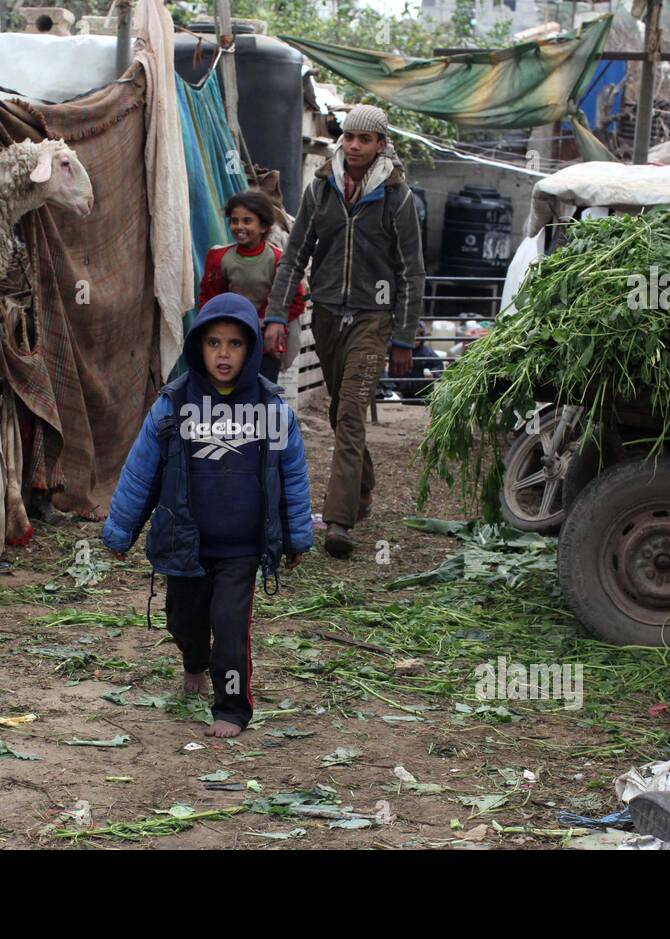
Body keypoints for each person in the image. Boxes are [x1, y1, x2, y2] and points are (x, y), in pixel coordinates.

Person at [101, 293, 313, 738]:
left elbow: (292, 478)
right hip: (185, 542)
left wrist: (296, 537)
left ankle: (232, 708)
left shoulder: (271, 410)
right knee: (183, 619)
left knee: (231, 630)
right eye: (213, 342)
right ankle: (193, 660)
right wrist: (121, 532)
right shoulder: (174, 406)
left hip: (241, 548)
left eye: (235, 344)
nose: (223, 353)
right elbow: (142, 471)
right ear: (198, 345)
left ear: (251, 348)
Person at [266, 103, 426, 559]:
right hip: (329, 315)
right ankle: (363, 488)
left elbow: (412, 271)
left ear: (380, 145)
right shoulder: (321, 189)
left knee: (352, 411)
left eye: (364, 140)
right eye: (349, 138)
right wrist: (277, 314)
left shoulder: (397, 196)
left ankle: (338, 521)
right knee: (341, 413)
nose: (354, 146)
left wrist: (404, 335)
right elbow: (295, 254)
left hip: (374, 318)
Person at [198, 190, 308, 382]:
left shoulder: (278, 260)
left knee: (260, 397)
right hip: (228, 341)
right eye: (234, 221)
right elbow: (210, 297)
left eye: (247, 221)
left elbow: (296, 299)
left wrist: (266, 320)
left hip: (266, 343)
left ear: (264, 226)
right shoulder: (219, 258)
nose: (239, 227)